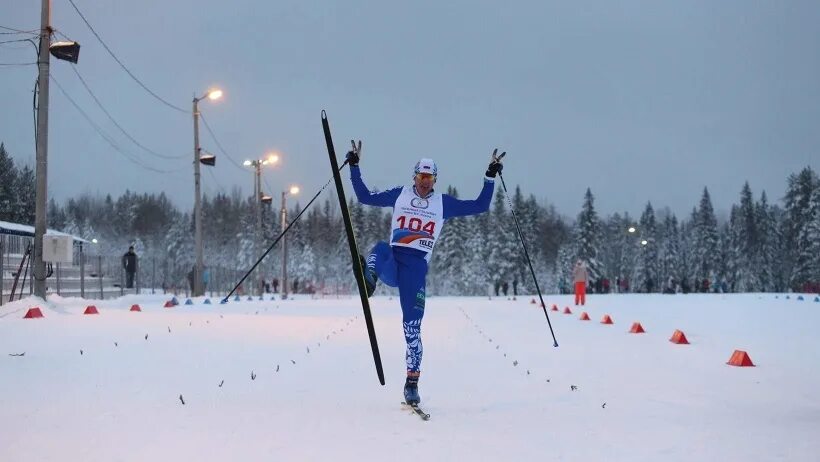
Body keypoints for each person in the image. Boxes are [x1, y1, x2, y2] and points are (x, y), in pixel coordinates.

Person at [347, 141, 501, 405]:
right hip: (394, 260)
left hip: (415, 270)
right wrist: (354, 166)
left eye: (429, 178)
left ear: (435, 179)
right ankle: (369, 280)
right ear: (414, 177)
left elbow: (480, 206)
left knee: (412, 329)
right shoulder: (400, 194)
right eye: (421, 177)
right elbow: (365, 197)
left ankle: (412, 383)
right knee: (381, 248)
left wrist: (489, 176)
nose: (425, 182)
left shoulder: (444, 203)